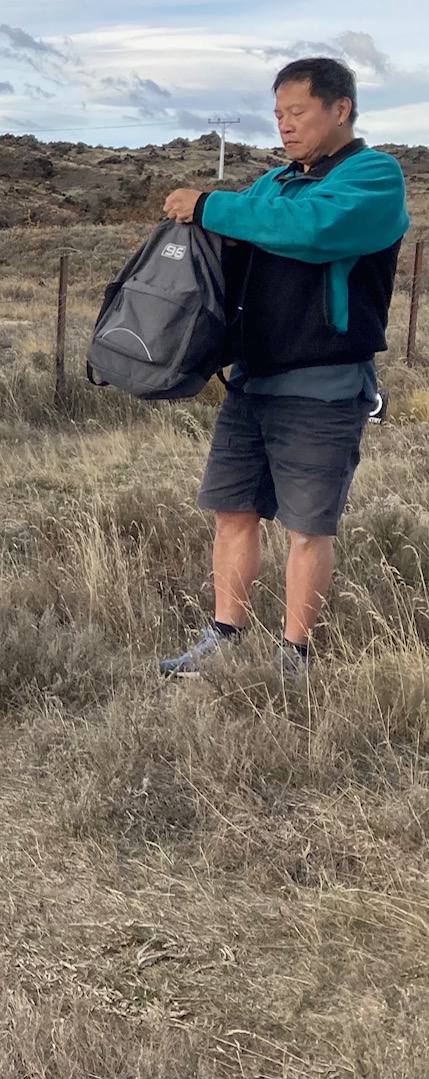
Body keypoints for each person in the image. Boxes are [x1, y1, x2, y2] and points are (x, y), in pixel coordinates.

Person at [158, 56, 409, 679]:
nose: (285, 126)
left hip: (323, 387)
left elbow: (312, 228)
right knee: (233, 512)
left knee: (305, 526)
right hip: (252, 381)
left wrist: (211, 205)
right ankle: (224, 636)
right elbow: (245, 229)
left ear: (340, 109)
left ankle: (293, 655)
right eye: (278, 115)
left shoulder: (374, 177)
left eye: (297, 112)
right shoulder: (274, 182)